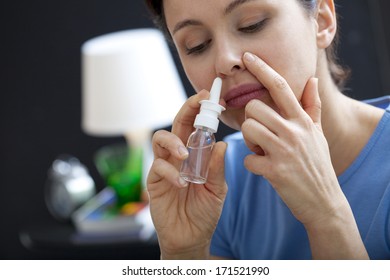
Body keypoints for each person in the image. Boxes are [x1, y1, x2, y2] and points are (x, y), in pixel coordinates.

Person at [144, 0, 390, 259]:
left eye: (252, 24)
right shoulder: (217, 178)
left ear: (322, 20)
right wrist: (184, 253)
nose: (225, 61)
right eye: (197, 45)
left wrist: (328, 214)